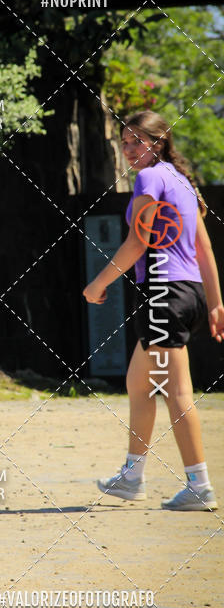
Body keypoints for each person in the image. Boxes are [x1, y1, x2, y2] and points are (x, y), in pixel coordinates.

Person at [83, 110, 224, 511]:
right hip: (189, 293)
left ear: (158, 142)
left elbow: (137, 243)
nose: (128, 150)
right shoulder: (182, 181)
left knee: (177, 392)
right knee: (140, 384)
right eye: (124, 143)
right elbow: (204, 249)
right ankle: (132, 476)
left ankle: (199, 486)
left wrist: (98, 283)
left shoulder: (150, 178)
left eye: (136, 142)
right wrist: (214, 303)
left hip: (164, 293)